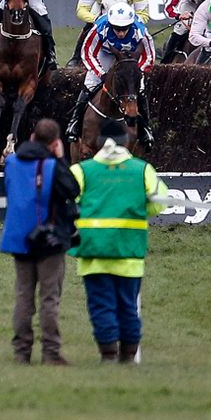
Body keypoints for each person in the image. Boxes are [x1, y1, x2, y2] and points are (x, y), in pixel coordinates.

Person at [69, 120, 167, 364]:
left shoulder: (81, 171)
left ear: (99, 143)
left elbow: (64, 203)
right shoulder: (142, 170)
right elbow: (159, 203)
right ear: (126, 142)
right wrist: (137, 208)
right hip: (129, 251)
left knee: (101, 306)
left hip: (93, 252)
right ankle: (129, 355)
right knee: (128, 307)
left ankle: (108, 354)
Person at [0, 119, 80, 366]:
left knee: (23, 296)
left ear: (32, 137)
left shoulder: (12, 162)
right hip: (48, 239)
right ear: (55, 143)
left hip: (19, 238)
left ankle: (21, 352)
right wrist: (60, 159)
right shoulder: (52, 166)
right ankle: (50, 352)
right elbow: (72, 190)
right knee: (49, 298)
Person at [65, 2, 156, 149]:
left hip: (130, 58)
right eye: (117, 29)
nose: (120, 33)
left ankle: (146, 129)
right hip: (105, 54)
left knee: (140, 89)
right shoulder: (99, 28)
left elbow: (149, 56)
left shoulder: (141, 31)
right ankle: (74, 122)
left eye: (124, 29)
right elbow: (87, 53)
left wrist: (135, 72)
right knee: (90, 84)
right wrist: (101, 74)